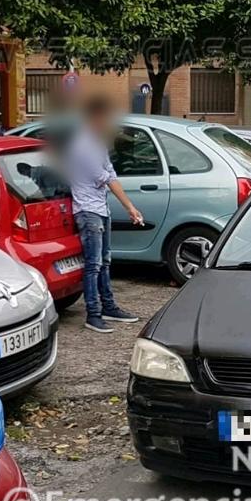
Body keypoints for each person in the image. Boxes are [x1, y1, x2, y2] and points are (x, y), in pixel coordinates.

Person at [65, 95, 143, 333]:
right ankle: (93, 314)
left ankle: (109, 307)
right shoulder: (81, 145)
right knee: (93, 265)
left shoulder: (97, 142)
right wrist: (130, 207)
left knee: (105, 262)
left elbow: (111, 170)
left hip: (101, 208)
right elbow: (106, 178)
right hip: (88, 211)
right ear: (93, 117)